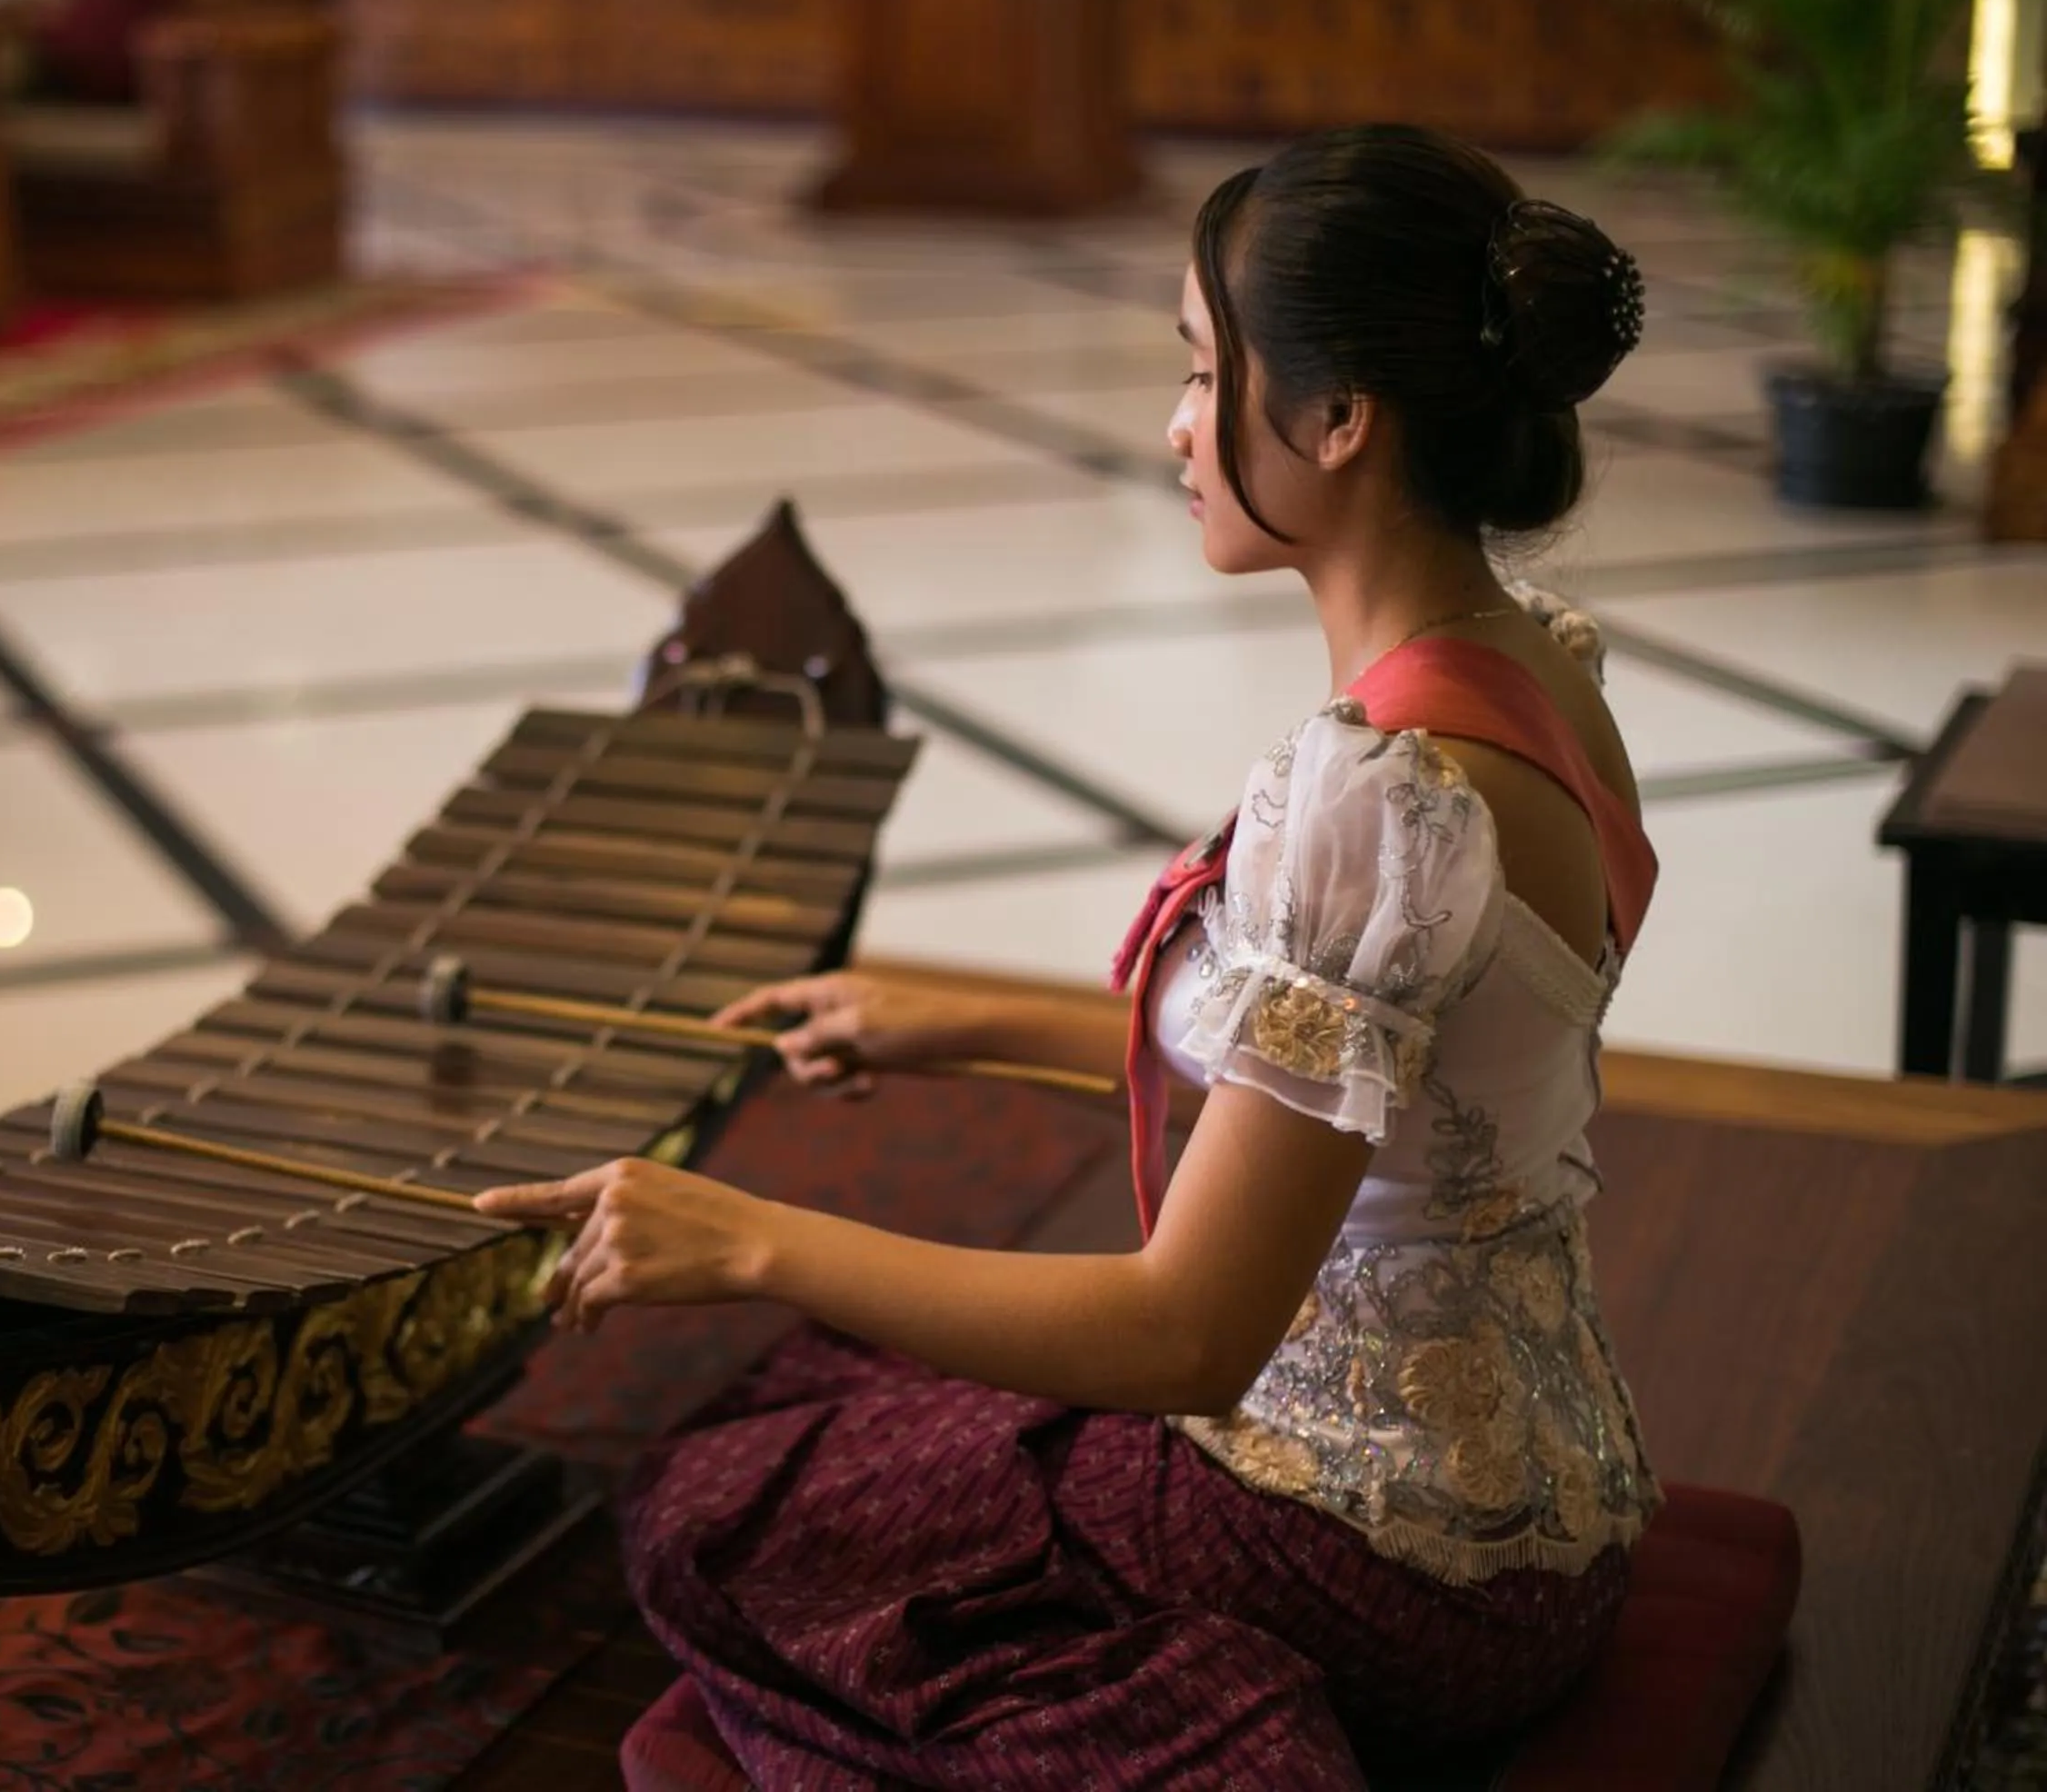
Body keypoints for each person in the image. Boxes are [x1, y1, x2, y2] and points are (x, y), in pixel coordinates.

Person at [474, 124, 1660, 1791]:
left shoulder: (1384, 804)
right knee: (830, 1386)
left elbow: (1188, 1341)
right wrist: (954, 1017)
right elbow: (1356, 1063)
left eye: (1201, 371)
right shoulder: (1535, 677)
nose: (1177, 427)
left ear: (1337, 420)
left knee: (705, 1513)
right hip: (1557, 1513)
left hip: (1372, 1561)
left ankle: (1226, 1739)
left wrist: (744, 1236)